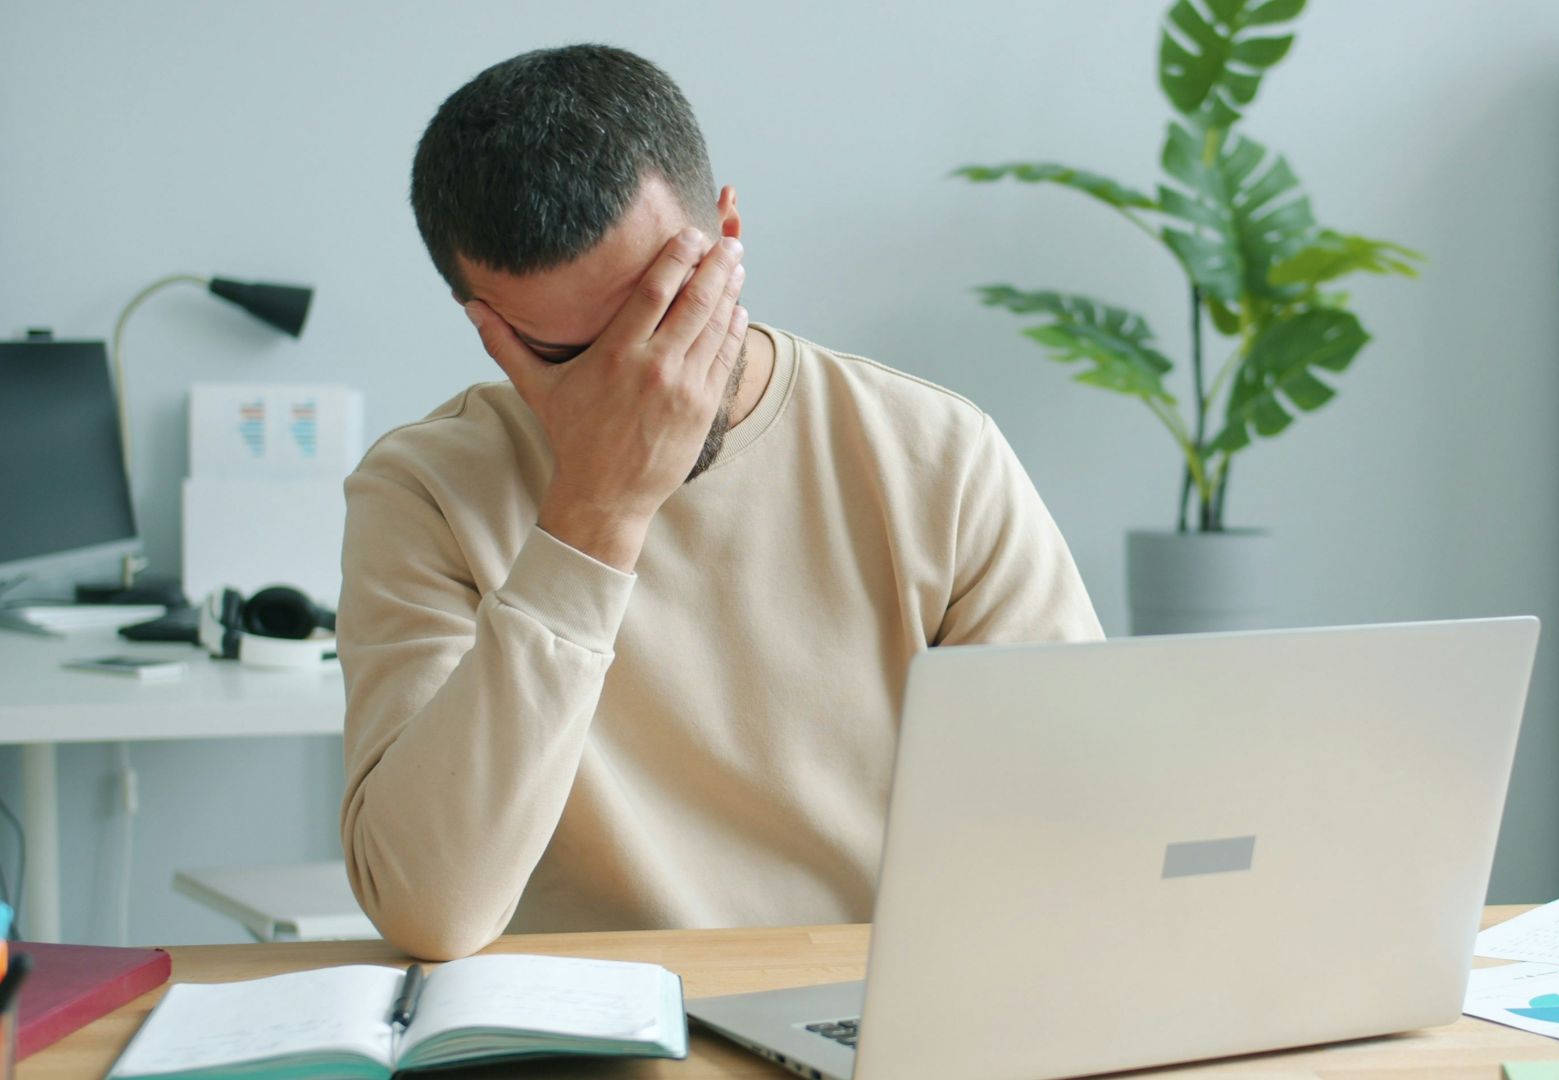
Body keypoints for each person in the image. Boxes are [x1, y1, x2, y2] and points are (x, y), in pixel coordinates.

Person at [336, 44, 1103, 960]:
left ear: (727, 236)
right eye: (570, 357)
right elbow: (433, 909)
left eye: (662, 314)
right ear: (486, 326)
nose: (641, 379)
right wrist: (595, 514)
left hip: (868, 1011)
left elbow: (1080, 832)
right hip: (590, 1033)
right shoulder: (422, 493)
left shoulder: (935, 455)